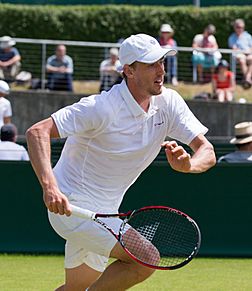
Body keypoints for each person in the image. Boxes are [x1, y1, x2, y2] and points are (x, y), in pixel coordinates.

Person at [26, 33, 216, 291]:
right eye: (151, 64)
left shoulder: (169, 102)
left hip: (105, 213)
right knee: (146, 258)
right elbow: (37, 132)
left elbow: (207, 150)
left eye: (161, 61)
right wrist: (50, 188)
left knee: (75, 288)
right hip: (73, 207)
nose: (161, 70)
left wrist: (189, 165)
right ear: (129, 70)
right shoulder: (102, 107)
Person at [228, 19, 252, 89]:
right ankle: (248, 79)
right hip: (238, 54)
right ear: (234, 27)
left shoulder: (248, 36)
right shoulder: (232, 37)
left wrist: (248, 52)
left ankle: (247, 79)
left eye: (241, 27)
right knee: (242, 59)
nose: (240, 29)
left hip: (248, 53)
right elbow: (234, 48)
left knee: (251, 59)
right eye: (238, 27)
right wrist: (243, 52)